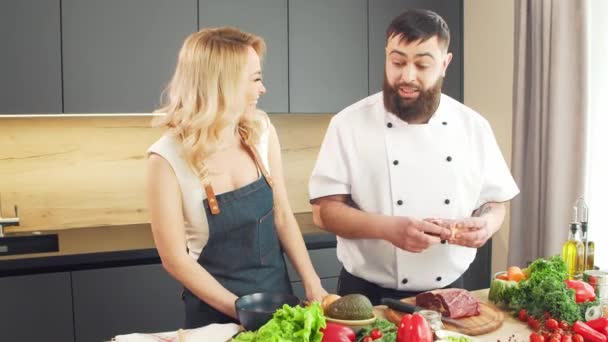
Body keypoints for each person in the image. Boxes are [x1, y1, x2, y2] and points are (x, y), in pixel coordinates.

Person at [308, 9, 519, 305]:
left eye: (422, 64)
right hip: (365, 297)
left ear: (445, 64)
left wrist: (486, 225)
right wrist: (389, 229)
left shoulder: (473, 127)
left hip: (450, 293)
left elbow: (496, 203)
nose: (407, 76)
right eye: (397, 62)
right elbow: (324, 212)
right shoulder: (349, 124)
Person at [147, 27, 327, 328]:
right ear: (223, 84)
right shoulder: (165, 159)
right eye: (255, 78)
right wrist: (241, 311)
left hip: (277, 304)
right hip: (213, 318)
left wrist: (312, 283)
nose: (263, 89)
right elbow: (175, 260)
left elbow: (281, 215)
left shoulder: (261, 133)